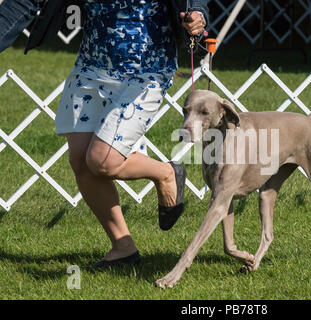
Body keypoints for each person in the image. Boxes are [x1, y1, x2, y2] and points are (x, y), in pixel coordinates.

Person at [1, 0, 209, 268]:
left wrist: (198, 15)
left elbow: (194, 2)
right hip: (91, 65)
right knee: (80, 161)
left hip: (146, 69)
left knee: (101, 160)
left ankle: (166, 173)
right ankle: (122, 247)